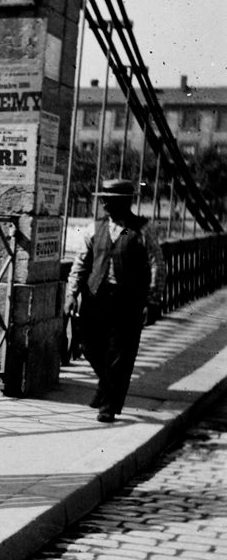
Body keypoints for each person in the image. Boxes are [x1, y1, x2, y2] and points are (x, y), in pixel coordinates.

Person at [64, 179, 166, 422]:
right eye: (103, 199)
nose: (104, 203)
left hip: (127, 299)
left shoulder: (138, 228)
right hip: (95, 297)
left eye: (110, 199)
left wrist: (153, 299)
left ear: (125, 201)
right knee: (88, 345)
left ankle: (108, 405)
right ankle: (105, 384)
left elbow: (157, 264)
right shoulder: (94, 228)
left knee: (120, 354)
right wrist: (71, 294)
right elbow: (80, 263)